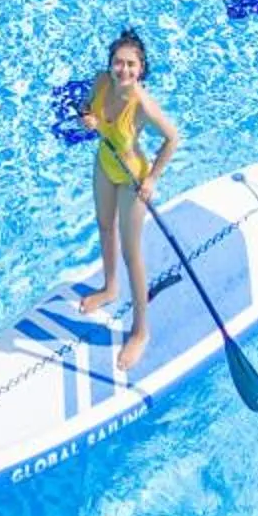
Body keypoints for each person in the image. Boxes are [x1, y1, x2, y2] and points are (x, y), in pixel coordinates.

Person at [77, 28, 180, 375]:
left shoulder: (143, 105)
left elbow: (172, 139)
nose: (123, 70)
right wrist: (89, 119)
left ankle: (140, 331)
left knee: (131, 252)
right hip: (105, 164)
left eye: (131, 65)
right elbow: (90, 110)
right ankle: (109, 288)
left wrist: (152, 179)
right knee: (105, 228)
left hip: (132, 177)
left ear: (141, 68)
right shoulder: (101, 82)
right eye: (118, 63)